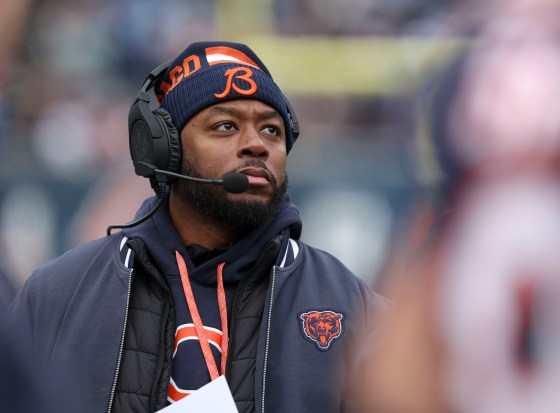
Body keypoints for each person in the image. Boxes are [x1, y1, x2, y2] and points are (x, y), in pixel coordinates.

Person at [6, 41, 388, 413]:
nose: (256, 144)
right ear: (164, 150)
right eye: (225, 126)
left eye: (272, 130)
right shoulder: (55, 296)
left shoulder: (353, 309)